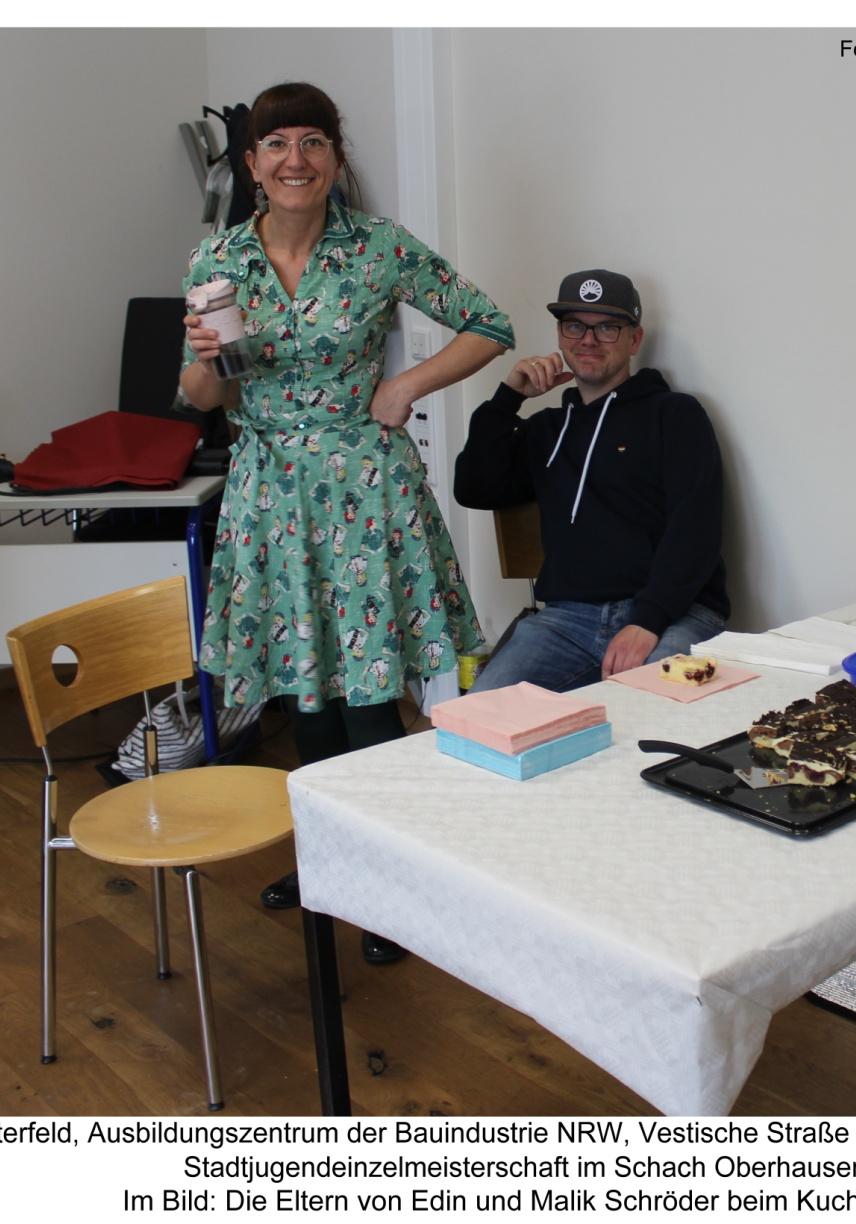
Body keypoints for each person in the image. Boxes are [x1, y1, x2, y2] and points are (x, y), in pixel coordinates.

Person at [181, 82, 513, 961]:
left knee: (370, 690)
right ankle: (330, 859)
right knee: (307, 688)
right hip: (269, 494)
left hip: (364, 489)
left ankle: (394, 881)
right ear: (251, 164)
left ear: (334, 158)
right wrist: (208, 360)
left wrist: (404, 386)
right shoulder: (217, 261)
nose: (295, 159)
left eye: (313, 142)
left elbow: (489, 324)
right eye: (276, 144)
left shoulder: (377, 248)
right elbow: (202, 396)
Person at [454, 269, 728, 692]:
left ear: (634, 339)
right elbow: (474, 488)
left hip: (673, 613)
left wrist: (647, 621)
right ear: (561, 335)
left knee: (657, 708)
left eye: (607, 328)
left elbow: (696, 529)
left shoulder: (675, 415)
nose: (588, 340)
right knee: (476, 716)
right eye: (575, 326)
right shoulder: (547, 429)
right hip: (566, 621)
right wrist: (508, 397)